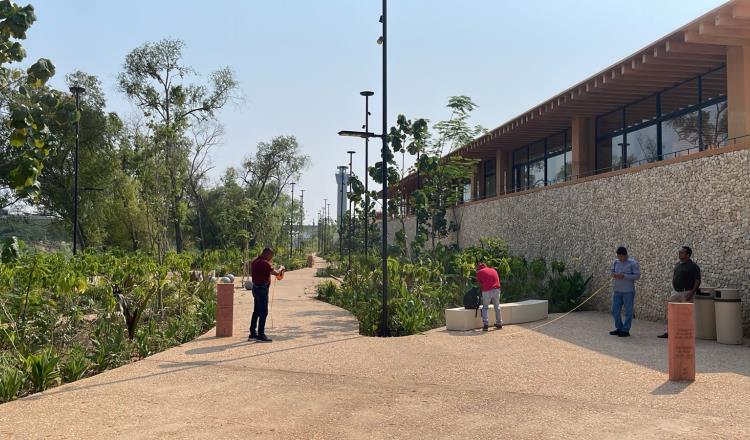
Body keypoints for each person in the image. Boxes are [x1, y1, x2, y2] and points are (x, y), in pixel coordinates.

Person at [658, 246, 700, 339]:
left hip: (687, 292)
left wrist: (692, 292)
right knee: (672, 313)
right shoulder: (678, 264)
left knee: (686, 314)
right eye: (679, 252)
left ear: (687, 255)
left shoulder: (693, 266)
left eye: (682, 252)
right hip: (676, 292)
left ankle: (686, 335)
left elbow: (697, 280)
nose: (679, 253)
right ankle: (670, 332)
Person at [249, 247, 285, 342]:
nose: (271, 258)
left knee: (256, 311)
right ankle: (261, 335)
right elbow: (276, 273)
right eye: (271, 256)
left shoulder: (255, 260)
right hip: (262, 289)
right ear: (267, 254)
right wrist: (281, 268)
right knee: (263, 312)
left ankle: (252, 333)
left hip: (255, 288)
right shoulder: (264, 263)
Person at [609, 246, 641, 337]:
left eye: (620, 257)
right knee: (614, 310)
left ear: (625, 255)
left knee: (628, 311)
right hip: (617, 290)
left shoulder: (633, 263)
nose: (619, 258)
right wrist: (614, 274)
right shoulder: (616, 262)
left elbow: (637, 276)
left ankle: (625, 330)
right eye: (618, 256)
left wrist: (625, 276)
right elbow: (612, 272)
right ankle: (619, 328)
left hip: (628, 291)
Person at [475, 262, 502, 332]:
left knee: (485, 308)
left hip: (487, 290)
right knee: (497, 307)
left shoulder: (479, 272)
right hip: (496, 289)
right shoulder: (493, 270)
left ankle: (485, 325)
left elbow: (479, 283)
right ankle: (499, 323)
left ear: (479, 268)